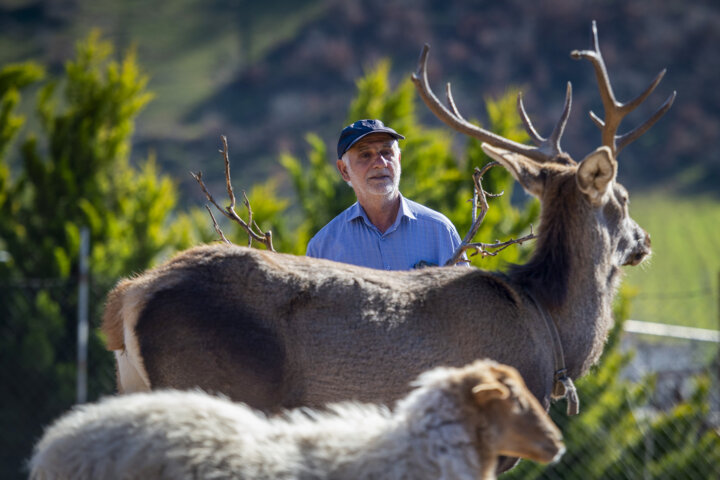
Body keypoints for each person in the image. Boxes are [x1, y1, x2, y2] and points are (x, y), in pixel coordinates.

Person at [306, 119, 466, 270]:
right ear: (344, 170)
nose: (381, 163)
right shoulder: (323, 248)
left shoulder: (439, 230)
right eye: (365, 155)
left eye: (387, 152)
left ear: (399, 159)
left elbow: (464, 297)